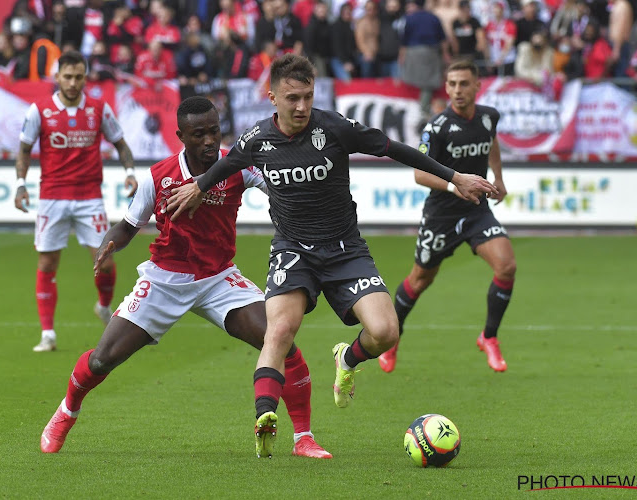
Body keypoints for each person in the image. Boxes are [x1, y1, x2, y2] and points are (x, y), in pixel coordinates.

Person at [163, 54, 497, 458]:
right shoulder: (256, 140)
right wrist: (198, 186)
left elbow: (394, 149)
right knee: (279, 331)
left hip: (344, 250)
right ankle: (265, 416)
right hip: (293, 251)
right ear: (272, 97)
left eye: (307, 96)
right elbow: (226, 164)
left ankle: (348, 358)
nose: (301, 106)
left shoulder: (335, 127)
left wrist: (454, 176)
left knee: (386, 332)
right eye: (292, 98)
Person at [39, 96, 332, 460]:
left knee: (281, 339)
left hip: (219, 278)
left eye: (214, 131)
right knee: (102, 359)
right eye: (199, 134)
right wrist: (108, 244)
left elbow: (279, 184)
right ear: (181, 136)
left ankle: (303, 437)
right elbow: (129, 225)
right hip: (165, 279)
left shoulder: (236, 164)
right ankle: (66, 412)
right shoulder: (159, 176)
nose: (209, 140)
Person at [378, 59, 516, 375]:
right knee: (420, 279)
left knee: (506, 266)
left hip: (476, 210)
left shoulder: (488, 117)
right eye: (451, 84)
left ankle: (489, 337)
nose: (457, 90)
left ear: (477, 85)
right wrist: (455, 187)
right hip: (441, 214)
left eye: (463, 83)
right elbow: (419, 175)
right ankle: (393, 338)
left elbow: (490, 142)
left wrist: (498, 177)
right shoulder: (437, 127)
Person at [13, 50, 137, 352]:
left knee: (105, 260)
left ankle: (104, 306)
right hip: (52, 197)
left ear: (85, 77)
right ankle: (48, 334)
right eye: (67, 76)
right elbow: (24, 150)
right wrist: (20, 184)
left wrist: (130, 172)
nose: (72, 82)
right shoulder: (39, 110)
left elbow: (120, 143)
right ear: (57, 78)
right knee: (47, 262)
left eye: (78, 76)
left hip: (89, 197)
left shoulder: (98, 108)